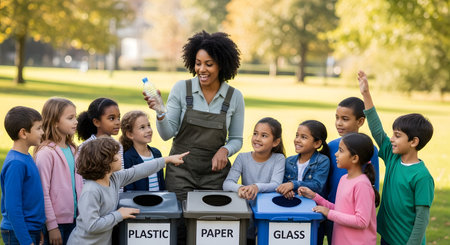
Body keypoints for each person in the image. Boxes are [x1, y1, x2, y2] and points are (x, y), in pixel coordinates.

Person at [143, 31, 245, 201]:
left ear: (222, 65)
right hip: (180, 174)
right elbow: (167, 135)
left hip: (215, 177)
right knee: (180, 224)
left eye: (209, 64)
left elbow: (236, 139)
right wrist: (160, 112)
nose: (201, 69)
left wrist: (225, 150)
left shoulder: (235, 97)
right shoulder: (182, 89)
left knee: (211, 223)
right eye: (198, 63)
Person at [358, 70, 434, 245]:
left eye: (398, 135)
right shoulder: (393, 158)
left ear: (414, 141)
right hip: (387, 238)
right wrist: (366, 94)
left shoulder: (422, 177)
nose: (391, 139)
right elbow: (377, 130)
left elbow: (422, 219)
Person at [67, 137, 188, 245]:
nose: (120, 156)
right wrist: (119, 215)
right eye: (116, 154)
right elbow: (92, 226)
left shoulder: (114, 178)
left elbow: (138, 171)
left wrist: (167, 160)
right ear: (105, 161)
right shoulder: (91, 190)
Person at [299, 133, 379, 245]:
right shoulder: (344, 179)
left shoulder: (362, 184)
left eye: (341, 150)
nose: (336, 154)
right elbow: (342, 210)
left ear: (355, 158)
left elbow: (361, 221)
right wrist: (315, 197)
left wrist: (329, 213)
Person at [320, 96, 380, 245]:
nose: (339, 123)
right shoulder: (331, 147)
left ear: (360, 121)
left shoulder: (370, 150)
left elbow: (372, 185)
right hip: (330, 211)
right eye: (337, 118)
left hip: (354, 217)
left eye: (345, 119)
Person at [223, 117, 285, 244]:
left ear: (275, 142)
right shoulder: (242, 158)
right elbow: (227, 183)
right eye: (255, 133)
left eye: (264, 135)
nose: (257, 138)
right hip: (247, 214)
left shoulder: (278, 159)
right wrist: (240, 188)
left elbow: (276, 184)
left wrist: (256, 187)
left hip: (268, 213)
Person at [34, 98, 83, 245]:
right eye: (70, 118)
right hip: (56, 225)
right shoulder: (46, 153)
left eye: (75, 116)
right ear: (55, 122)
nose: (76, 121)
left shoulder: (74, 150)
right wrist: (52, 226)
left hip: (75, 220)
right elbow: (43, 192)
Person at [1, 106, 45, 245]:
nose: (42, 132)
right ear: (23, 133)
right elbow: (13, 208)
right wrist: (26, 241)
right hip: (18, 233)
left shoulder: (25, 157)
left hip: (31, 230)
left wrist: (38, 229)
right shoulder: (16, 163)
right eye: (38, 128)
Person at [276, 120, 330, 199]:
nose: (297, 140)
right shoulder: (289, 161)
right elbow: (284, 182)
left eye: (303, 137)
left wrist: (293, 185)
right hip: (293, 203)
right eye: (297, 135)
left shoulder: (323, 161)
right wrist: (287, 191)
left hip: (313, 206)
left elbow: (317, 186)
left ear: (317, 143)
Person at [120, 110, 165, 191]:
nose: (148, 130)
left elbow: (162, 183)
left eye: (149, 125)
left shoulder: (156, 153)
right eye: (142, 127)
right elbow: (129, 189)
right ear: (130, 134)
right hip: (138, 202)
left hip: (158, 202)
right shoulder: (127, 157)